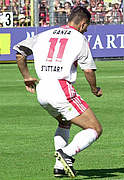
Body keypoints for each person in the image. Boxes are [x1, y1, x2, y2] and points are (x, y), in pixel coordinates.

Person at [13, 6, 103, 178]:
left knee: (64, 123)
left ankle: (59, 167)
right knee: (94, 128)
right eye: (87, 27)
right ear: (83, 24)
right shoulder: (79, 38)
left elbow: (20, 53)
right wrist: (94, 89)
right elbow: (88, 70)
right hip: (61, 88)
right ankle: (66, 154)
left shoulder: (45, 34)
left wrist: (26, 77)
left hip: (42, 89)